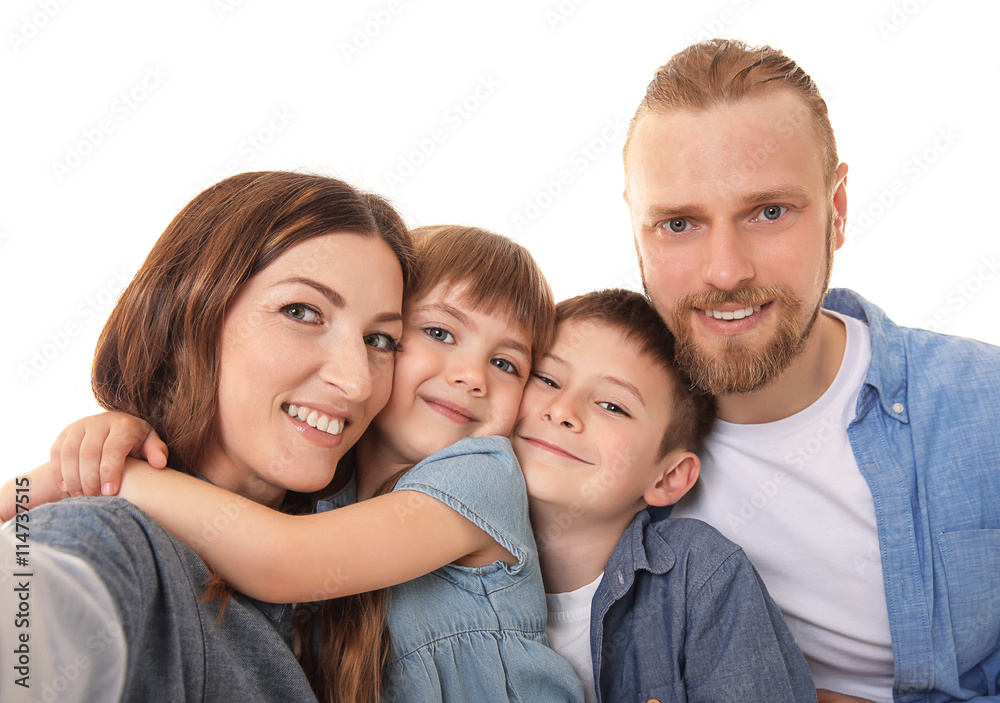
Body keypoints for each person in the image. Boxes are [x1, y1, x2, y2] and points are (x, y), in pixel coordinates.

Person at [14, 225, 585, 702]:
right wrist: (119, 437)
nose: (472, 376)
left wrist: (116, 476)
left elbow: (281, 559)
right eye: (437, 333)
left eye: (508, 364)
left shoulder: (483, 474)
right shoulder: (321, 482)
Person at [624, 38, 1000, 702]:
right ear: (636, 228)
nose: (726, 271)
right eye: (679, 223)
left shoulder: (984, 406)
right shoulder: (581, 426)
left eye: (769, 212)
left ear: (839, 210)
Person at [0, 170, 415, 702]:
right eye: (301, 312)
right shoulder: (110, 539)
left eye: (380, 339)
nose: (357, 381)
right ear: (185, 317)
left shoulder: (346, 586)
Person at [517, 288, 817, 703]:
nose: (562, 410)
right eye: (547, 379)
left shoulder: (701, 576)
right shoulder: (439, 550)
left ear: (668, 477)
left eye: (612, 406)